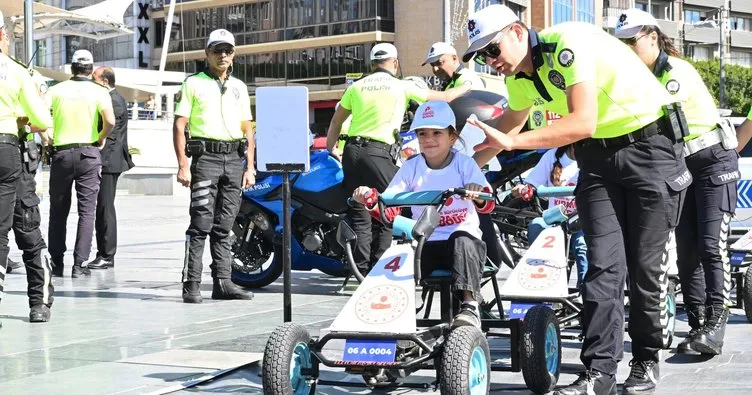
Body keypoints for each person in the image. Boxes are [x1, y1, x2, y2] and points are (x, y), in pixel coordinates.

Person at [463, 5, 690, 395]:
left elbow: (579, 121)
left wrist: (512, 142)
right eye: (481, 55)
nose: (490, 60)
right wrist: (451, 163)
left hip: (650, 149)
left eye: (493, 49)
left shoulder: (567, 43)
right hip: (597, 162)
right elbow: (503, 128)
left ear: (518, 32)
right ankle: (598, 374)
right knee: (602, 267)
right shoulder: (520, 77)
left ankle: (646, 361)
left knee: (643, 269)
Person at [615, 8, 740, 357]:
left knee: (712, 244)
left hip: (713, 160)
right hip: (682, 166)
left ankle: (716, 323)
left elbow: (662, 122)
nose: (626, 50)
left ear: (652, 37)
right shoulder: (639, 76)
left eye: (631, 42)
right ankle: (699, 323)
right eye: (620, 43)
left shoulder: (673, 72)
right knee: (686, 252)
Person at [327, 43, 470, 276]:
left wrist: (332, 147)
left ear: (372, 64)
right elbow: (444, 97)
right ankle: (379, 267)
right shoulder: (401, 86)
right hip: (378, 152)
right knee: (392, 205)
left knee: (359, 211)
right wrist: (466, 85)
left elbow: (335, 121)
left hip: (352, 153)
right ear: (394, 63)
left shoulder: (357, 87)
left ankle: (358, 273)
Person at [351, 101, 494, 328]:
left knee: (462, 239)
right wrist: (371, 199)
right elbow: (389, 208)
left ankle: (469, 305)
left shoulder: (464, 164)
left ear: (452, 138)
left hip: (464, 246)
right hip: (425, 245)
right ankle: (389, 313)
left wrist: (477, 193)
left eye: (437, 133)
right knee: (400, 253)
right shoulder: (412, 166)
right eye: (422, 134)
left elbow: (488, 204)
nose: (428, 139)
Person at [173, 29, 255, 303]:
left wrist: (250, 166)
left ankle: (223, 282)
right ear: (207, 53)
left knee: (225, 226)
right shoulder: (193, 83)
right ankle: (191, 285)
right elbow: (180, 124)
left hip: (234, 160)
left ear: (234, 55)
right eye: (217, 50)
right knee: (200, 224)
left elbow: (248, 128)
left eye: (227, 51)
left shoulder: (239, 87)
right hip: (205, 159)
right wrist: (183, 164)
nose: (222, 55)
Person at [0, 9, 55, 322]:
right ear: (4, 36)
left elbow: (42, 122)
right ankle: (40, 302)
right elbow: (43, 121)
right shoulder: (18, 73)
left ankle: (41, 301)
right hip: (11, 154)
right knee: (23, 230)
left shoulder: (24, 75)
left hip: (19, 157)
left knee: (27, 228)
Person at [46, 49, 115, 278]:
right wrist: (101, 137)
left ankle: (56, 263)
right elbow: (110, 121)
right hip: (89, 153)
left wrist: (48, 136)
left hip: (62, 154)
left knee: (58, 211)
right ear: (90, 69)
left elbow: (39, 119)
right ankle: (79, 265)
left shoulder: (55, 90)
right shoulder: (99, 91)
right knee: (86, 212)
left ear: (71, 68)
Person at [511, 144, 587, 288]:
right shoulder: (552, 156)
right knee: (535, 225)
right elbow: (531, 184)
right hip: (555, 219)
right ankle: (544, 282)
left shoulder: (591, 157)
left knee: (582, 244)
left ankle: (586, 290)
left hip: (582, 219)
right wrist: (523, 189)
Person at [88, 67, 135, 270]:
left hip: (108, 162)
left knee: (105, 209)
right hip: (108, 161)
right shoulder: (113, 98)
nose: (91, 82)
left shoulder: (114, 101)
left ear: (105, 81)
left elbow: (111, 138)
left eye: (94, 79)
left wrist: (99, 162)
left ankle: (106, 254)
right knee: (102, 208)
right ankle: (104, 253)